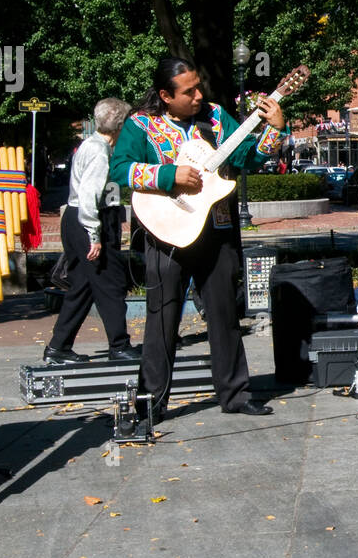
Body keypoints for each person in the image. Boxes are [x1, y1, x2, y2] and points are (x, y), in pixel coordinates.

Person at [109, 56, 287, 421]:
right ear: (165, 95)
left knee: (224, 316)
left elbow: (247, 158)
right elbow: (121, 169)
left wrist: (275, 131)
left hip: (215, 229)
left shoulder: (217, 118)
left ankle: (235, 395)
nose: (197, 95)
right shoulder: (141, 125)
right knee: (162, 319)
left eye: (198, 86)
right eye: (188, 91)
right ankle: (151, 402)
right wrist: (170, 174)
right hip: (166, 233)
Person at [45, 98, 136, 364]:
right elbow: (89, 196)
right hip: (89, 220)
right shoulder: (99, 151)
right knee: (111, 284)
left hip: (77, 219)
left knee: (83, 286)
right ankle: (119, 346)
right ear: (120, 125)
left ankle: (58, 346)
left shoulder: (90, 145)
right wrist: (95, 236)